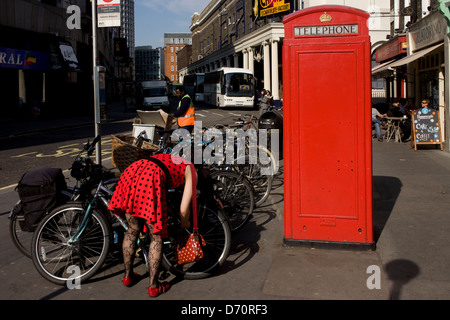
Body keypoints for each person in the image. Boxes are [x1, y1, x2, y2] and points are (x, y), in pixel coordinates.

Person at [108, 153, 196, 298]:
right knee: (156, 237)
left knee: (132, 230)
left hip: (133, 171)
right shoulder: (191, 170)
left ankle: (128, 275)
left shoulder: (172, 158)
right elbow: (183, 209)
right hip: (150, 179)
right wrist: (185, 223)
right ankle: (154, 286)